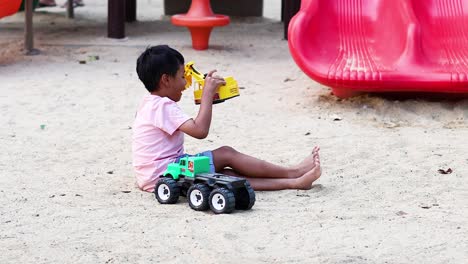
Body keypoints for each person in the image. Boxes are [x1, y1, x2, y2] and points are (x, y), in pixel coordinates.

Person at [132, 45, 321, 192]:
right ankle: (293, 174)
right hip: (165, 175)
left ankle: (294, 181)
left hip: (153, 174)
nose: (185, 83)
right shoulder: (163, 106)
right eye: (182, 77)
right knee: (226, 153)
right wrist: (207, 95)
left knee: (226, 174)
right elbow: (200, 131)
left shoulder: (150, 103)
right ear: (166, 80)